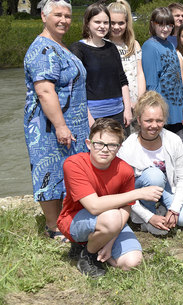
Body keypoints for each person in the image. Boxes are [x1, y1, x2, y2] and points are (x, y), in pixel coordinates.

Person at [57, 118, 162, 277]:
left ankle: (97, 244)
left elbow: (126, 207)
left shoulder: (125, 170)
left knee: (132, 262)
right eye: (99, 144)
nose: (104, 149)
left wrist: (110, 240)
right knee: (112, 216)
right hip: (74, 219)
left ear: (119, 147)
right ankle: (88, 255)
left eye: (112, 145)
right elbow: (94, 206)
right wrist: (138, 193)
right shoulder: (74, 164)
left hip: (112, 222)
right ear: (88, 144)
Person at [24, 0, 90, 241]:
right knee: (50, 170)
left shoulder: (60, 45)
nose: (64, 20)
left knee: (69, 170)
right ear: (44, 16)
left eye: (67, 16)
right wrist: (61, 126)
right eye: (58, 15)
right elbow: (44, 90)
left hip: (72, 122)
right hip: (50, 126)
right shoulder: (42, 48)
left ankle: (67, 218)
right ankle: (53, 227)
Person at [117, 91, 183, 235]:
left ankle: (164, 209)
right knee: (154, 175)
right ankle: (150, 214)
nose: (154, 125)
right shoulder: (128, 147)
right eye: (148, 120)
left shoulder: (173, 140)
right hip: (140, 192)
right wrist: (149, 217)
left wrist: (175, 209)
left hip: (168, 187)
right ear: (139, 120)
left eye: (159, 120)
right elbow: (124, 191)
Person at [70, 3, 131, 128]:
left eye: (106, 22)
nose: (102, 26)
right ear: (87, 23)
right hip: (93, 115)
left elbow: (122, 80)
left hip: (118, 113)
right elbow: (75, 88)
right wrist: (88, 117)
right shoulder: (78, 49)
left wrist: (128, 109)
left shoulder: (112, 47)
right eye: (97, 22)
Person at [141, 7, 183, 132]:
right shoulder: (149, 46)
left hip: (177, 105)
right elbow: (151, 82)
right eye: (161, 25)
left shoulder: (170, 44)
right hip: (163, 107)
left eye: (169, 25)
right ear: (153, 24)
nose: (165, 29)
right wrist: (156, 109)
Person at [107, 0, 145, 123]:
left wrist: (140, 100)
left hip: (135, 104)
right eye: (112, 23)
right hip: (115, 104)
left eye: (121, 23)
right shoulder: (104, 45)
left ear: (126, 23)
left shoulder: (134, 45)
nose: (116, 27)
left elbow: (139, 73)